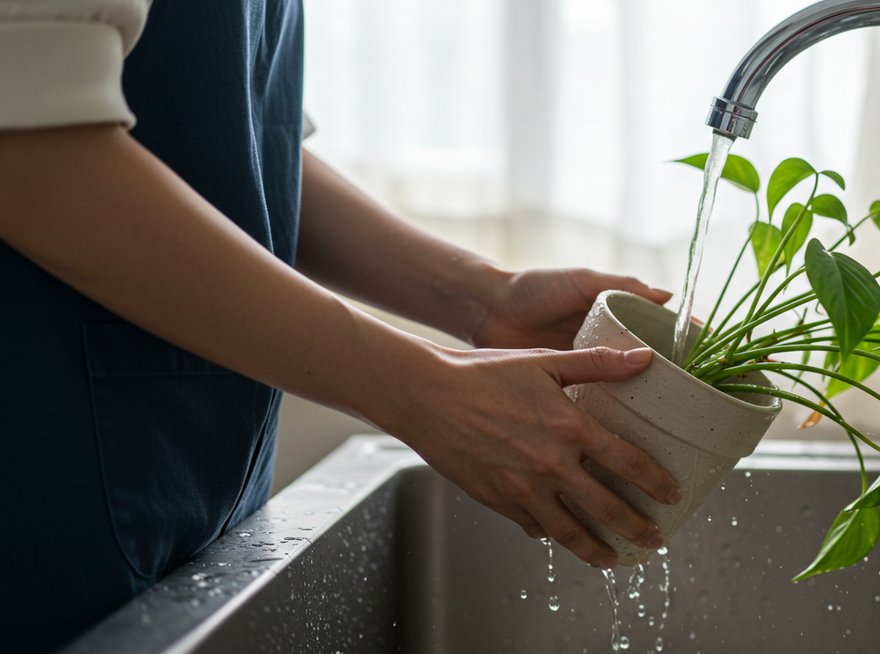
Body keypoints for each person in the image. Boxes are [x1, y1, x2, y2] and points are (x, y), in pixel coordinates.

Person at [0, 1, 682, 650]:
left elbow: (229, 136)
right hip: (39, 495)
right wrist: (419, 388)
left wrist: (479, 298)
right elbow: (29, 147)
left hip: (168, 490)